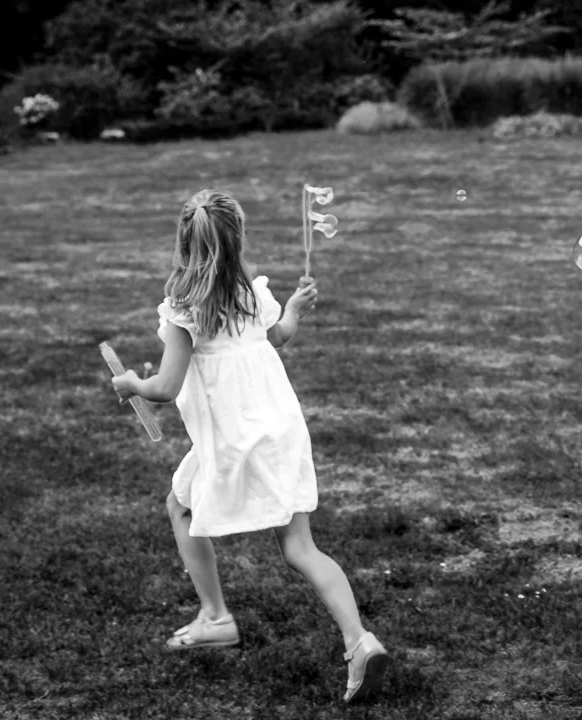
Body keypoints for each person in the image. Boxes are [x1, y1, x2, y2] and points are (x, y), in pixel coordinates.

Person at [111, 188, 389, 703]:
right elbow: (276, 335)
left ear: (184, 243)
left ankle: (216, 616)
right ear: (237, 239)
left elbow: (166, 388)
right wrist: (295, 311)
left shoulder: (183, 310)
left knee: (180, 506)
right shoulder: (251, 293)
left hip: (232, 439)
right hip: (278, 431)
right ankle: (359, 640)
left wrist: (131, 384)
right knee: (301, 548)